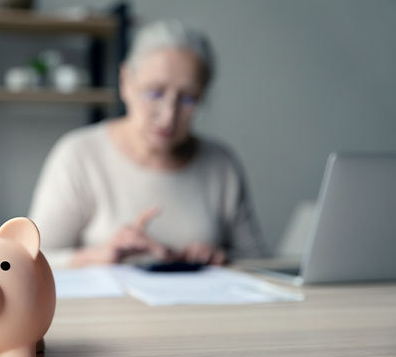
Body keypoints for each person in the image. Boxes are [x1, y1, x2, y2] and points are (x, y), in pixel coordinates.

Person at [29, 20, 268, 268]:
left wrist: (220, 258)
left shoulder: (221, 163)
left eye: (188, 99)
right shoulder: (79, 155)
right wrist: (98, 256)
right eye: (154, 93)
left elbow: (259, 263)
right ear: (125, 82)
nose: (168, 116)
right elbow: (31, 259)